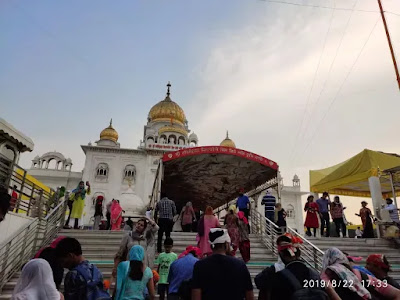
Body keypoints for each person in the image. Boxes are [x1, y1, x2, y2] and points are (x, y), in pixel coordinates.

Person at [255, 234, 330, 300]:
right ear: (299, 253)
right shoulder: (315, 274)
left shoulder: (274, 275)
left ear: (281, 254)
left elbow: (258, 282)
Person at [192, 228, 254, 300]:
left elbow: (196, 295)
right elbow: (249, 295)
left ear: (211, 245)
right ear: (226, 244)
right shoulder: (240, 265)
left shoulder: (200, 266)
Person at [321, 247, 400, 300]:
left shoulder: (328, 273)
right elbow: (396, 293)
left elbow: (329, 288)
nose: (366, 267)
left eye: (369, 264)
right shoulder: (360, 273)